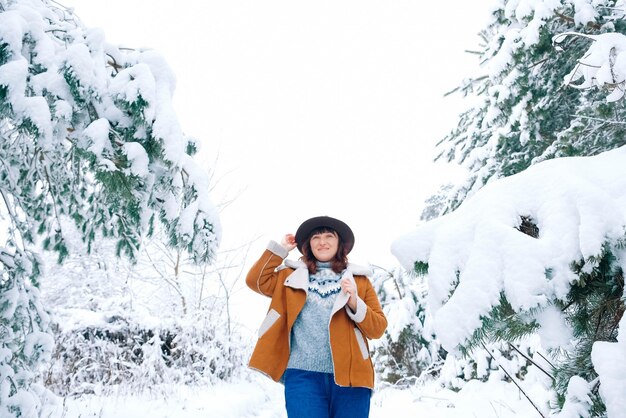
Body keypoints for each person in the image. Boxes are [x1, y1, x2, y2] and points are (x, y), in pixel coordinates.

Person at [246, 215, 388, 418]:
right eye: (316, 238)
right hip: (302, 376)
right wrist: (281, 250)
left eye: (329, 236)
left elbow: (378, 328)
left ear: (339, 243)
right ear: (308, 245)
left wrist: (355, 302)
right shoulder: (289, 276)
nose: (322, 242)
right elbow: (255, 281)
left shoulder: (359, 280)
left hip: (352, 377)